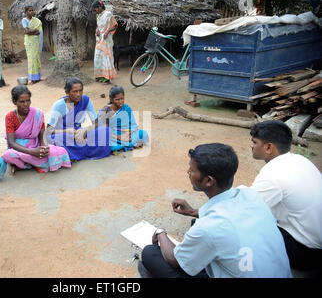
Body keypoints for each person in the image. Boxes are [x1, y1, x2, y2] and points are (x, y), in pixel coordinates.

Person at [139, 143, 292, 278]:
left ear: (209, 181)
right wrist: (193, 212)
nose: (188, 172)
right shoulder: (250, 195)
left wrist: (161, 233)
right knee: (199, 233)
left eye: (192, 170)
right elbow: (230, 218)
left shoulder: (210, 227)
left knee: (150, 253)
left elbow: (174, 260)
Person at [249, 120, 322, 270]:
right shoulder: (301, 160)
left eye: (254, 142)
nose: (251, 145)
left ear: (269, 147)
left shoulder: (272, 175)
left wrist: (200, 213)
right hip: (316, 242)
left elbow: (246, 211)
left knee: (245, 230)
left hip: (306, 252)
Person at [2, 86, 71, 175]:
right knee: (8, 155)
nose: (26, 104)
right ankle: (34, 163)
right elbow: (11, 143)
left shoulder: (37, 114)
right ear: (14, 102)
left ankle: (25, 164)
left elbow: (42, 135)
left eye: (28, 100)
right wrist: (32, 152)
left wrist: (44, 148)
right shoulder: (10, 116)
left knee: (58, 151)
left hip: (35, 144)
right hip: (19, 148)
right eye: (22, 101)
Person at [46, 77, 111, 161]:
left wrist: (85, 130)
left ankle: (75, 153)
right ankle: (85, 151)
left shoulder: (86, 100)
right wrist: (68, 131)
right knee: (54, 139)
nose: (78, 94)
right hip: (64, 134)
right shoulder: (59, 105)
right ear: (67, 92)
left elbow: (96, 123)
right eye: (75, 91)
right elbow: (48, 130)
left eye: (80, 90)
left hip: (79, 132)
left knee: (105, 130)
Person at [97, 85, 148, 152]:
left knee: (143, 134)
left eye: (122, 99)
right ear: (111, 99)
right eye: (117, 99)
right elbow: (102, 129)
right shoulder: (105, 111)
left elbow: (134, 126)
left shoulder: (127, 108)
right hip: (113, 136)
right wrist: (119, 137)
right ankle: (125, 145)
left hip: (126, 135)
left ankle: (122, 145)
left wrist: (127, 134)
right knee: (105, 141)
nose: (120, 102)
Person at [92, 0, 118, 84]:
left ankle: (107, 78)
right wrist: (97, 30)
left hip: (106, 39)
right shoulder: (98, 16)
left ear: (99, 7)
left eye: (95, 9)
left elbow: (115, 25)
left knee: (106, 57)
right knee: (98, 57)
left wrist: (107, 32)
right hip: (99, 39)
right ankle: (100, 76)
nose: (94, 11)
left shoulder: (108, 14)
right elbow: (98, 26)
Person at [21, 6, 43, 84]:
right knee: (32, 59)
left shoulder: (37, 21)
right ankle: (33, 78)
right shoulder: (24, 20)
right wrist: (34, 31)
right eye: (29, 10)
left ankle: (38, 77)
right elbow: (27, 32)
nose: (31, 12)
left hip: (36, 42)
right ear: (26, 12)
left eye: (32, 10)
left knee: (37, 58)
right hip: (29, 43)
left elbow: (38, 32)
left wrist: (31, 32)